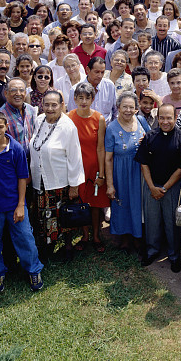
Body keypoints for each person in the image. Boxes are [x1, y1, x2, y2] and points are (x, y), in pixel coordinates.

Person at [0, 111, 44, 293]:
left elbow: (22, 178)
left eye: (1, 126)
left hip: (14, 203)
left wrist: (20, 205)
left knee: (25, 238)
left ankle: (33, 270)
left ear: (7, 127)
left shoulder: (15, 149)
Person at [28, 90, 85, 261]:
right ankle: (47, 247)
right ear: (42, 105)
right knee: (44, 216)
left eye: (54, 105)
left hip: (60, 181)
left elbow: (75, 157)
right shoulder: (39, 120)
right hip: (40, 180)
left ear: (62, 106)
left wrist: (74, 185)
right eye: (47, 104)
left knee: (63, 216)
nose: (50, 108)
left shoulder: (68, 127)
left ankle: (67, 247)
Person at [136, 102, 181, 269]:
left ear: (175, 117)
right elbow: (143, 164)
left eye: (169, 118)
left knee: (172, 223)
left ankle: (174, 255)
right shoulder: (150, 136)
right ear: (157, 118)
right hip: (151, 186)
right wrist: (152, 187)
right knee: (152, 221)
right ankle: (152, 251)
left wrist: (165, 188)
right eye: (162, 118)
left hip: (172, 188)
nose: (165, 121)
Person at [105, 91, 149, 252]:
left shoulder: (141, 121)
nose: (128, 110)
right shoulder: (111, 128)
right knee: (122, 204)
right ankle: (124, 238)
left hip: (140, 171)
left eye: (132, 107)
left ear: (137, 109)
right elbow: (108, 158)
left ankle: (138, 237)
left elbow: (152, 140)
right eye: (125, 107)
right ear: (118, 107)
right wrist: (110, 184)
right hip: (120, 172)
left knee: (139, 204)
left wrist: (146, 141)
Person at [68, 81, 109, 252]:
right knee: (81, 202)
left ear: (93, 99)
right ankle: (84, 236)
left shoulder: (99, 118)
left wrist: (102, 174)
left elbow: (101, 147)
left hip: (94, 167)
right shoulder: (69, 117)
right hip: (77, 166)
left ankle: (97, 235)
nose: (84, 101)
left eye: (87, 98)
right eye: (80, 98)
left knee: (95, 203)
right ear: (75, 99)